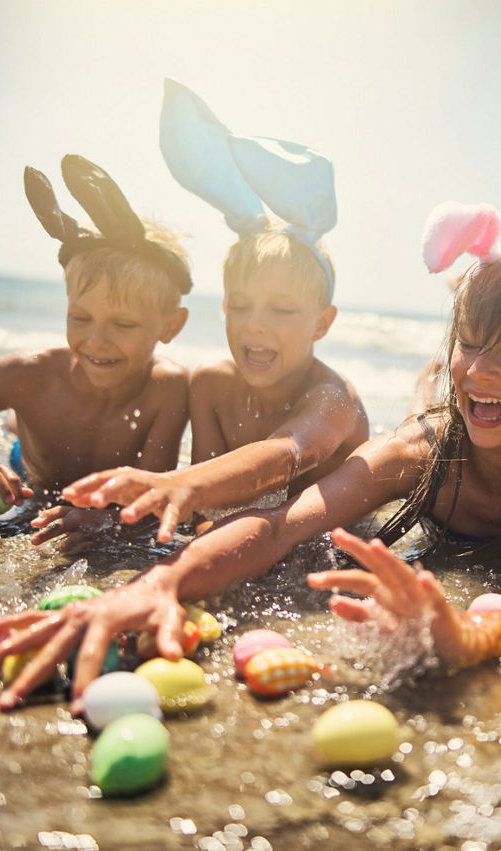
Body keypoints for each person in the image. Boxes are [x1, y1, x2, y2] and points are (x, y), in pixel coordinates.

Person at [0, 163, 501, 710]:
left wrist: (477, 635)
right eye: (468, 343)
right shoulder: (423, 448)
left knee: (449, 401)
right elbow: (280, 526)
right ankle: (437, 377)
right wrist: (161, 583)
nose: (478, 370)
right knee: (437, 406)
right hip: (436, 435)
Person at [62, 80, 368, 543]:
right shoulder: (210, 386)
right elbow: (205, 510)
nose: (255, 323)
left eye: (282, 310)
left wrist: (178, 483)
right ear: (224, 308)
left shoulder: (333, 398)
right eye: (240, 306)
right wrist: (113, 516)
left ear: (322, 323)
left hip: (326, 549)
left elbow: (289, 451)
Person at [0, 155, 191, 552]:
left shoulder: (167, 388)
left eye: (124, 325)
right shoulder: (28, 375)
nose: (97, 340)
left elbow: (150, 497)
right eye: (80, 317)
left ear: (170, 326)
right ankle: (18, 425)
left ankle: (19, 423)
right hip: (31, 471)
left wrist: (108, 519)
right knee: (20, 436)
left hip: (84, 478)